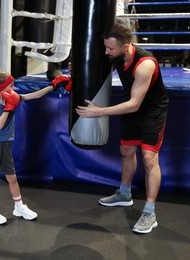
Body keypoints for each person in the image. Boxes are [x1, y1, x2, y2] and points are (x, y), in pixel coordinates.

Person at [75, 23, 169, 234]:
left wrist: (99, 112)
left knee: (148, 158)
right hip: (131, 108)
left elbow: (135, 104)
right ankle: (124, 194)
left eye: (111, 49)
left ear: (126, 46)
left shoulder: (145, 64)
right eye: (105, 47)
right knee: (126, 151)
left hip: (152, 111)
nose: (106, 52)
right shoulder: (115, 57)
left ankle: (149, 211)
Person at [0, 70, 71, 225]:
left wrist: (53, 85)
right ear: (1, 88)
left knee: (13, 178)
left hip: (5, 143)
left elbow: (35, 95)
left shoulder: (13, 97)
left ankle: (19, 207)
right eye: (11, 86)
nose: (14, 89)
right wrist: (9, 107)